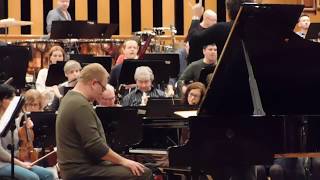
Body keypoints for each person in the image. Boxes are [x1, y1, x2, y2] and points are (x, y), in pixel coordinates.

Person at [56, 63, 152, 179]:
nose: (103, 92)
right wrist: (123, 161)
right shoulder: (80, 105)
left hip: (81, 166)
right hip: (81, 170)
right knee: (143, 173)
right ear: (94, 83)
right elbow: (95, 146)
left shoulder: (70, 98)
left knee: (143, 167)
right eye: (103, 87)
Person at [0, 84, 55, 180]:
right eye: (11, 99)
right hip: (2, 164)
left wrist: (28, 129)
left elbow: (23, 143)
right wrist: (20, 163)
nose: (14, 103)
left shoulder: (13, 119)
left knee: (49, 175)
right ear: (2, 100)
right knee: (32, 178)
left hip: (14, 160)